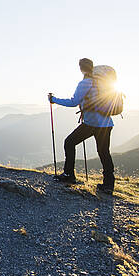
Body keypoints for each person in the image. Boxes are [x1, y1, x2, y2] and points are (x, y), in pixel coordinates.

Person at [48, 58, 116, 194]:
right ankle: (109, 184)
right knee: (104, 153)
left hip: (92, 124)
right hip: (106, 123)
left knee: (69, 142)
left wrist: (54, 100)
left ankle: (69, 175)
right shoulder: (101, 83)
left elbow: (73, 102)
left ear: (81, 68)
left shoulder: (85, 83)